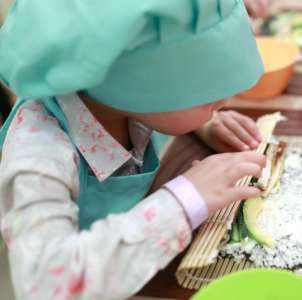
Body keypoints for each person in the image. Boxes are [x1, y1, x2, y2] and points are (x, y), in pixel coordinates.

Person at [0, 1, 267, 299]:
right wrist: (184, 201)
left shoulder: (114, 99)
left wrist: (203, 120)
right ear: (129, 84)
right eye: (205, 95)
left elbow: (162, 92)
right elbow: (46, 287)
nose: (225, 97)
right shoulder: (37, 157)